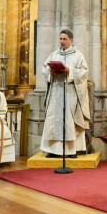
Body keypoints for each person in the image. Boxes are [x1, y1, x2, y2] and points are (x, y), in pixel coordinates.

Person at [40, 29, 90, 157]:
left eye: (64, 39)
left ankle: (71, 150)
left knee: (69, 120)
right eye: (60, 39)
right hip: (56, 91)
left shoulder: (78, 55)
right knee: (53, 120)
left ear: (71, 40)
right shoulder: (54, 54)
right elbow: (45, 68)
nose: (62, 41)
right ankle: (53, 150)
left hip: (70, 93)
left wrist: (70, 71)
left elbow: (84, 72)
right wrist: (50, 70)